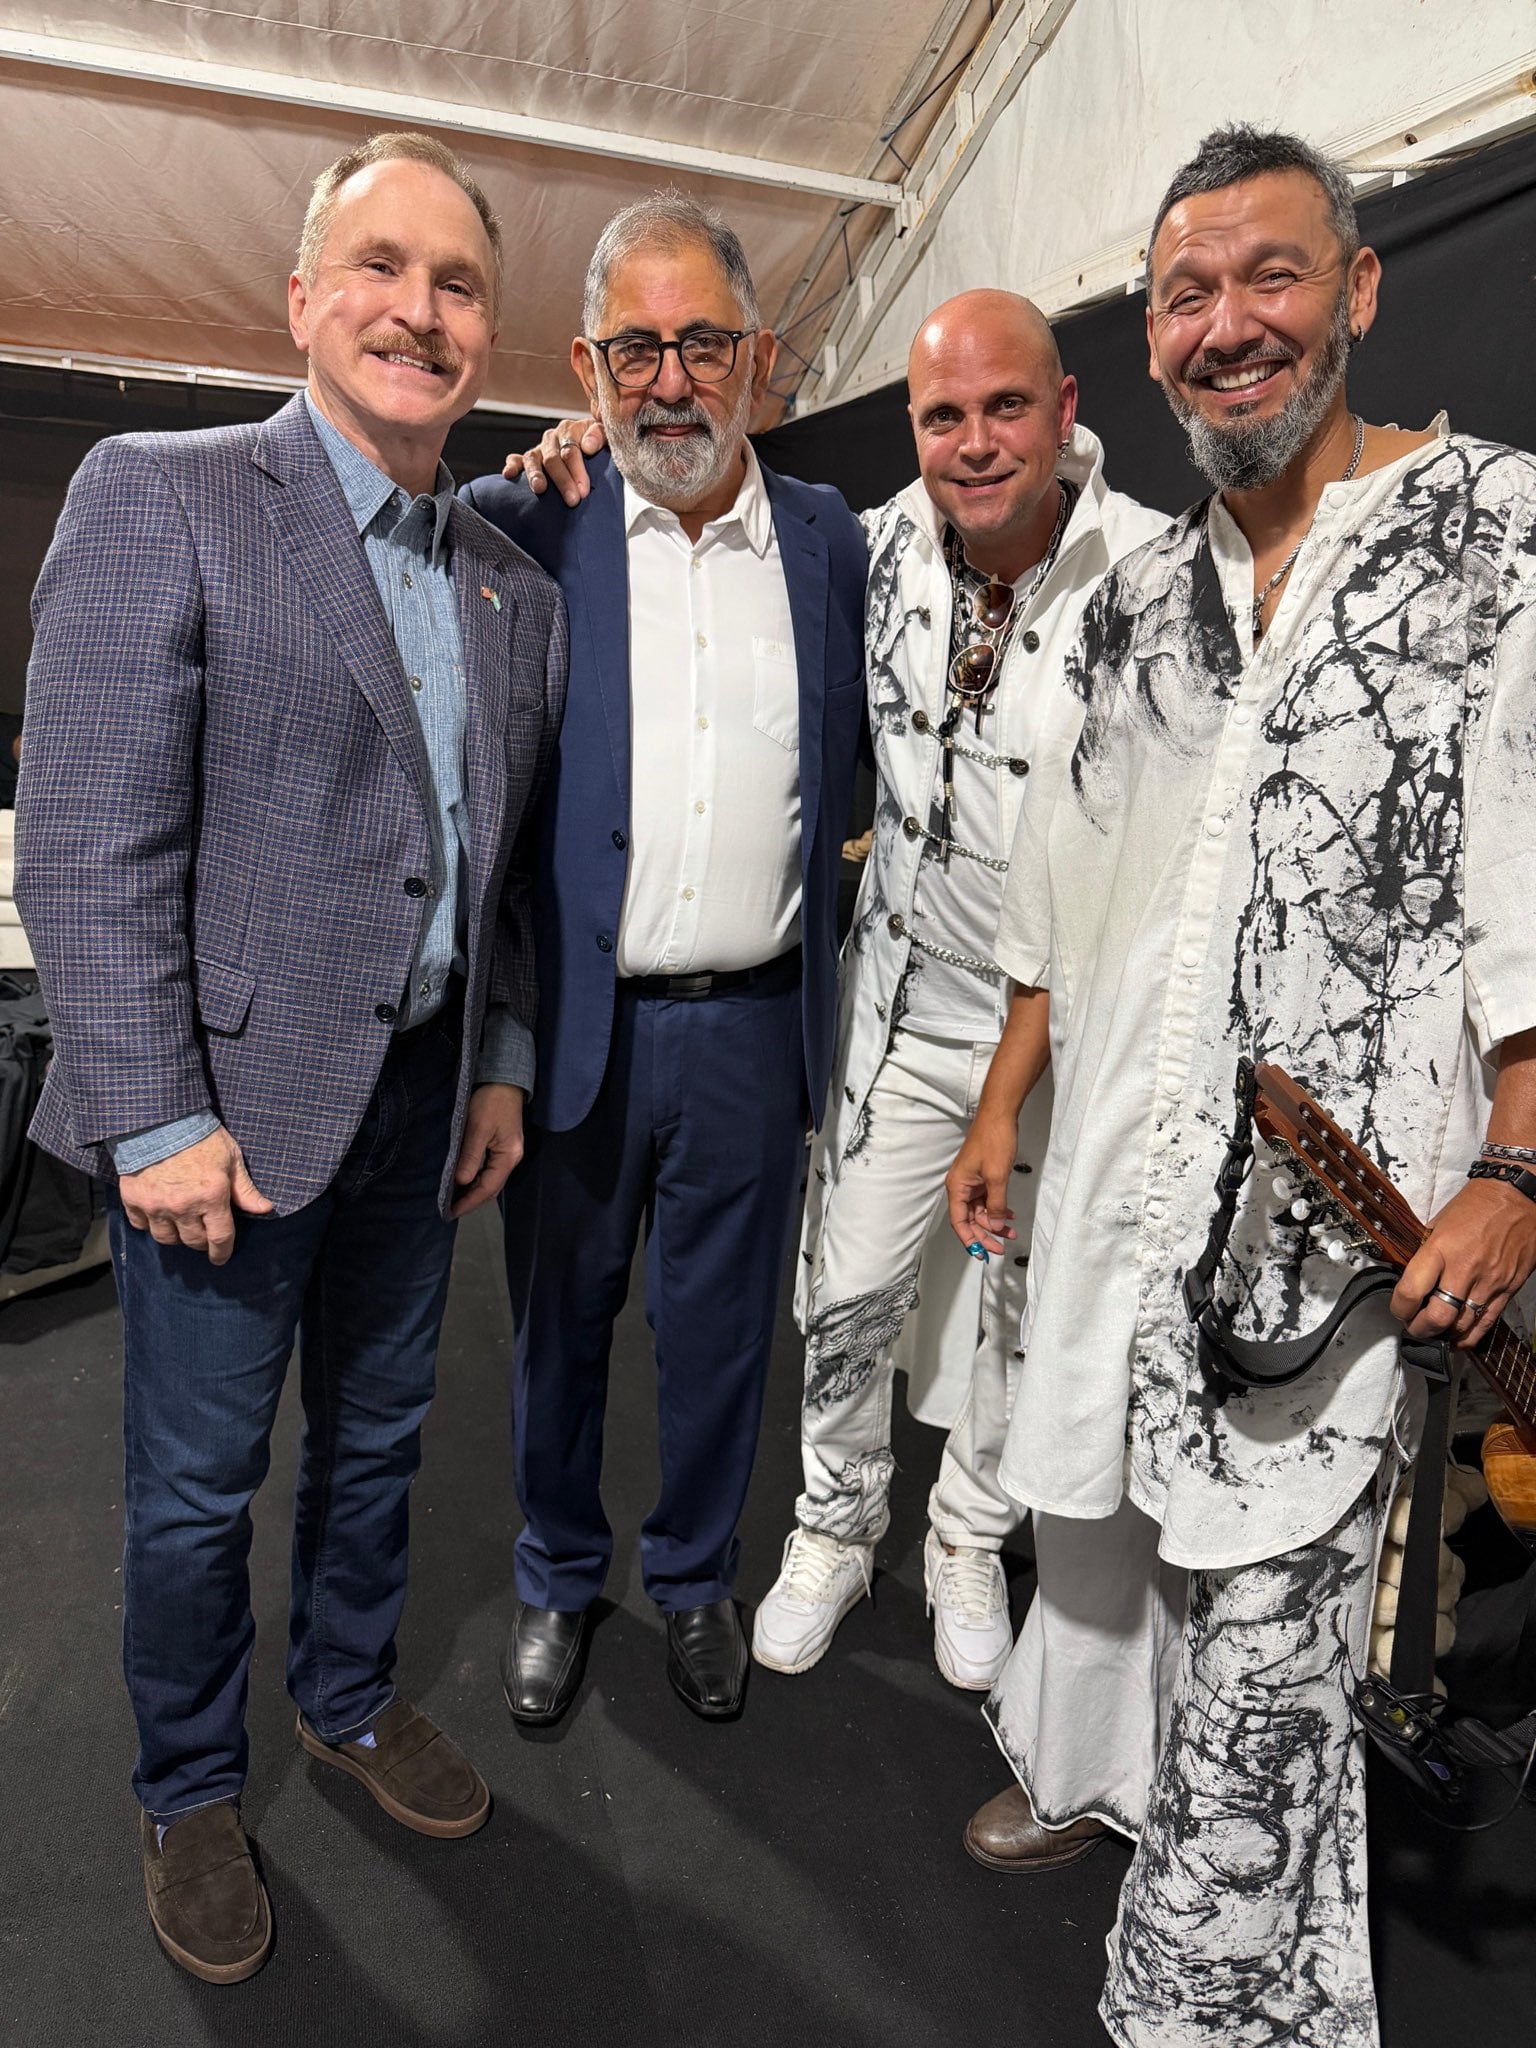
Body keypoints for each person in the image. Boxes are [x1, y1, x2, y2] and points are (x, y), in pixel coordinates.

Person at [947, 125, 1536, 2045]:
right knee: (1111, 1561)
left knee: (1275, 1650)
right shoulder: (1128, 606)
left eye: (1270, 277)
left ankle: (1201, 2004)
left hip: (1339, 1246)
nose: (1226, 329)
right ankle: (1111, 1789)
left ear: (1360, 290)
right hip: (1130, 1202)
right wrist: (1002, 1114)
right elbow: (1071, 918)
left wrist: (1518, 1173)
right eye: (1186, 295)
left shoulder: (1497, 542)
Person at [14, 131, 567, 1984]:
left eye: (460, 281)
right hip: (221, 1123)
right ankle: (187, 1789)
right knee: (192, 1489)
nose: (421, 308)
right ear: (305, 299)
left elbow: (493, 861)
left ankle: (341, 1695)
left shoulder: (513, 586)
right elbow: (86, 836)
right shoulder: (158, 491)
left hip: (419, 1107)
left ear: (489, 325)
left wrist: (495, 1059)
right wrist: (154, 1110)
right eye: (384, 269)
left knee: (386, 1439)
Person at [509, 292, 1165, 1700]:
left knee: (1015, 1306)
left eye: (1005, 409)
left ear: (1066, 407)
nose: (976, 442)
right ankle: (832, 1528)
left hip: (1066, 1037)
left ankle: (967, 1537)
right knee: (846, 1296)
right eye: (942, 414)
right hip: (888, 1013)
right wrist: (584, 441)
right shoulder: (867, 550)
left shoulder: (1154, 581)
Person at [460, 193, 867, 1725]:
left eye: (704, 341)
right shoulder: (529, 526)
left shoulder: (828, 544)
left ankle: (695, 1576)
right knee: (556, 1332)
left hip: (756, 1032)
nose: (672, 380)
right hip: (578, 1030)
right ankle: (558, 1577)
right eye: (639, 347)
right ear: (587, 363)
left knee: (720, 1343)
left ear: (760, 356)